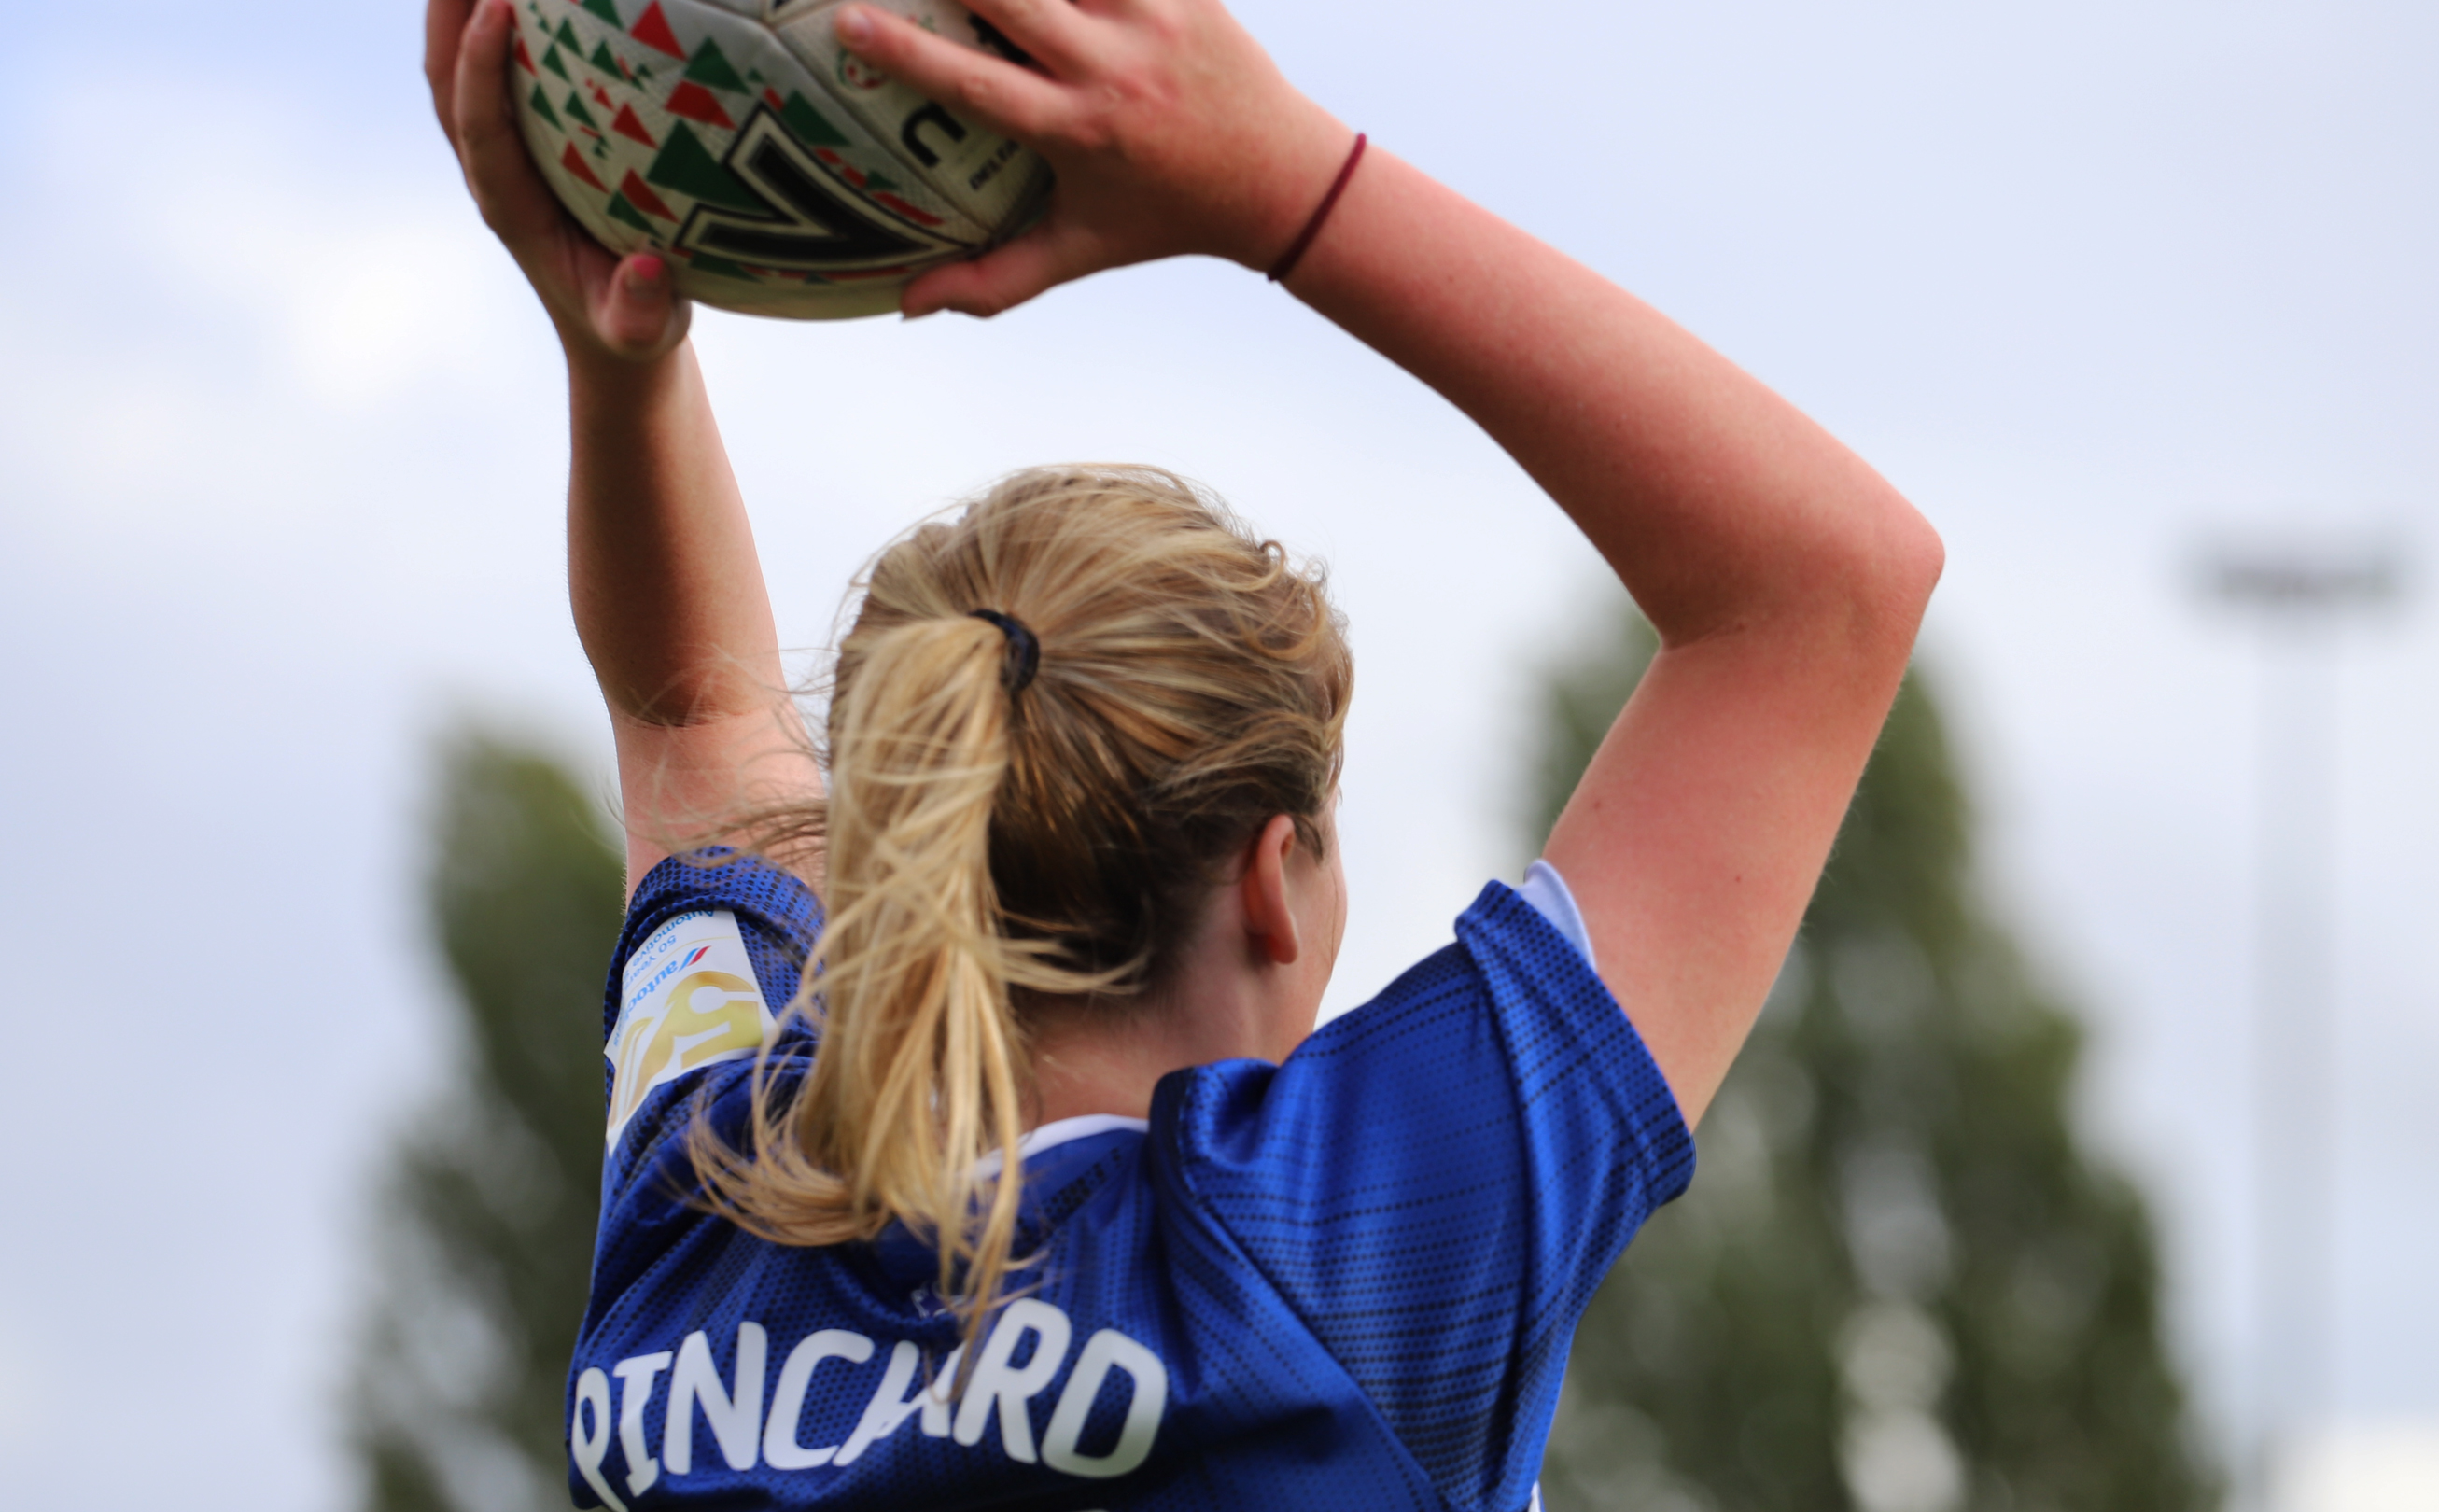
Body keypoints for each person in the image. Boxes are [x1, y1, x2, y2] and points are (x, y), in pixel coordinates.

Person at [424, 0, 1943, 1505]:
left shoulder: (711, 1222)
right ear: (1274, 880)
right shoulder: (1342, 1256)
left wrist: (613, 358)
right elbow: (1820, 592)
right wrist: (1273, 178)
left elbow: (698, 718)